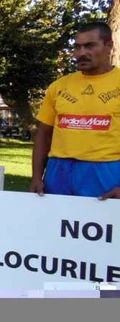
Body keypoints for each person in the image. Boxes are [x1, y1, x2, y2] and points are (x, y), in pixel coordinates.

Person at [31, 22, 120, 200]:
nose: (81, 53)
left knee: (99, 226)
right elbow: (44, 134)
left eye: (89, 46)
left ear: (109, 46)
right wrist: (36, 176)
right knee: (54, 225)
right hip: (58, 171)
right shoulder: (59, 86)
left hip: (105, 171)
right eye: (77, 47)